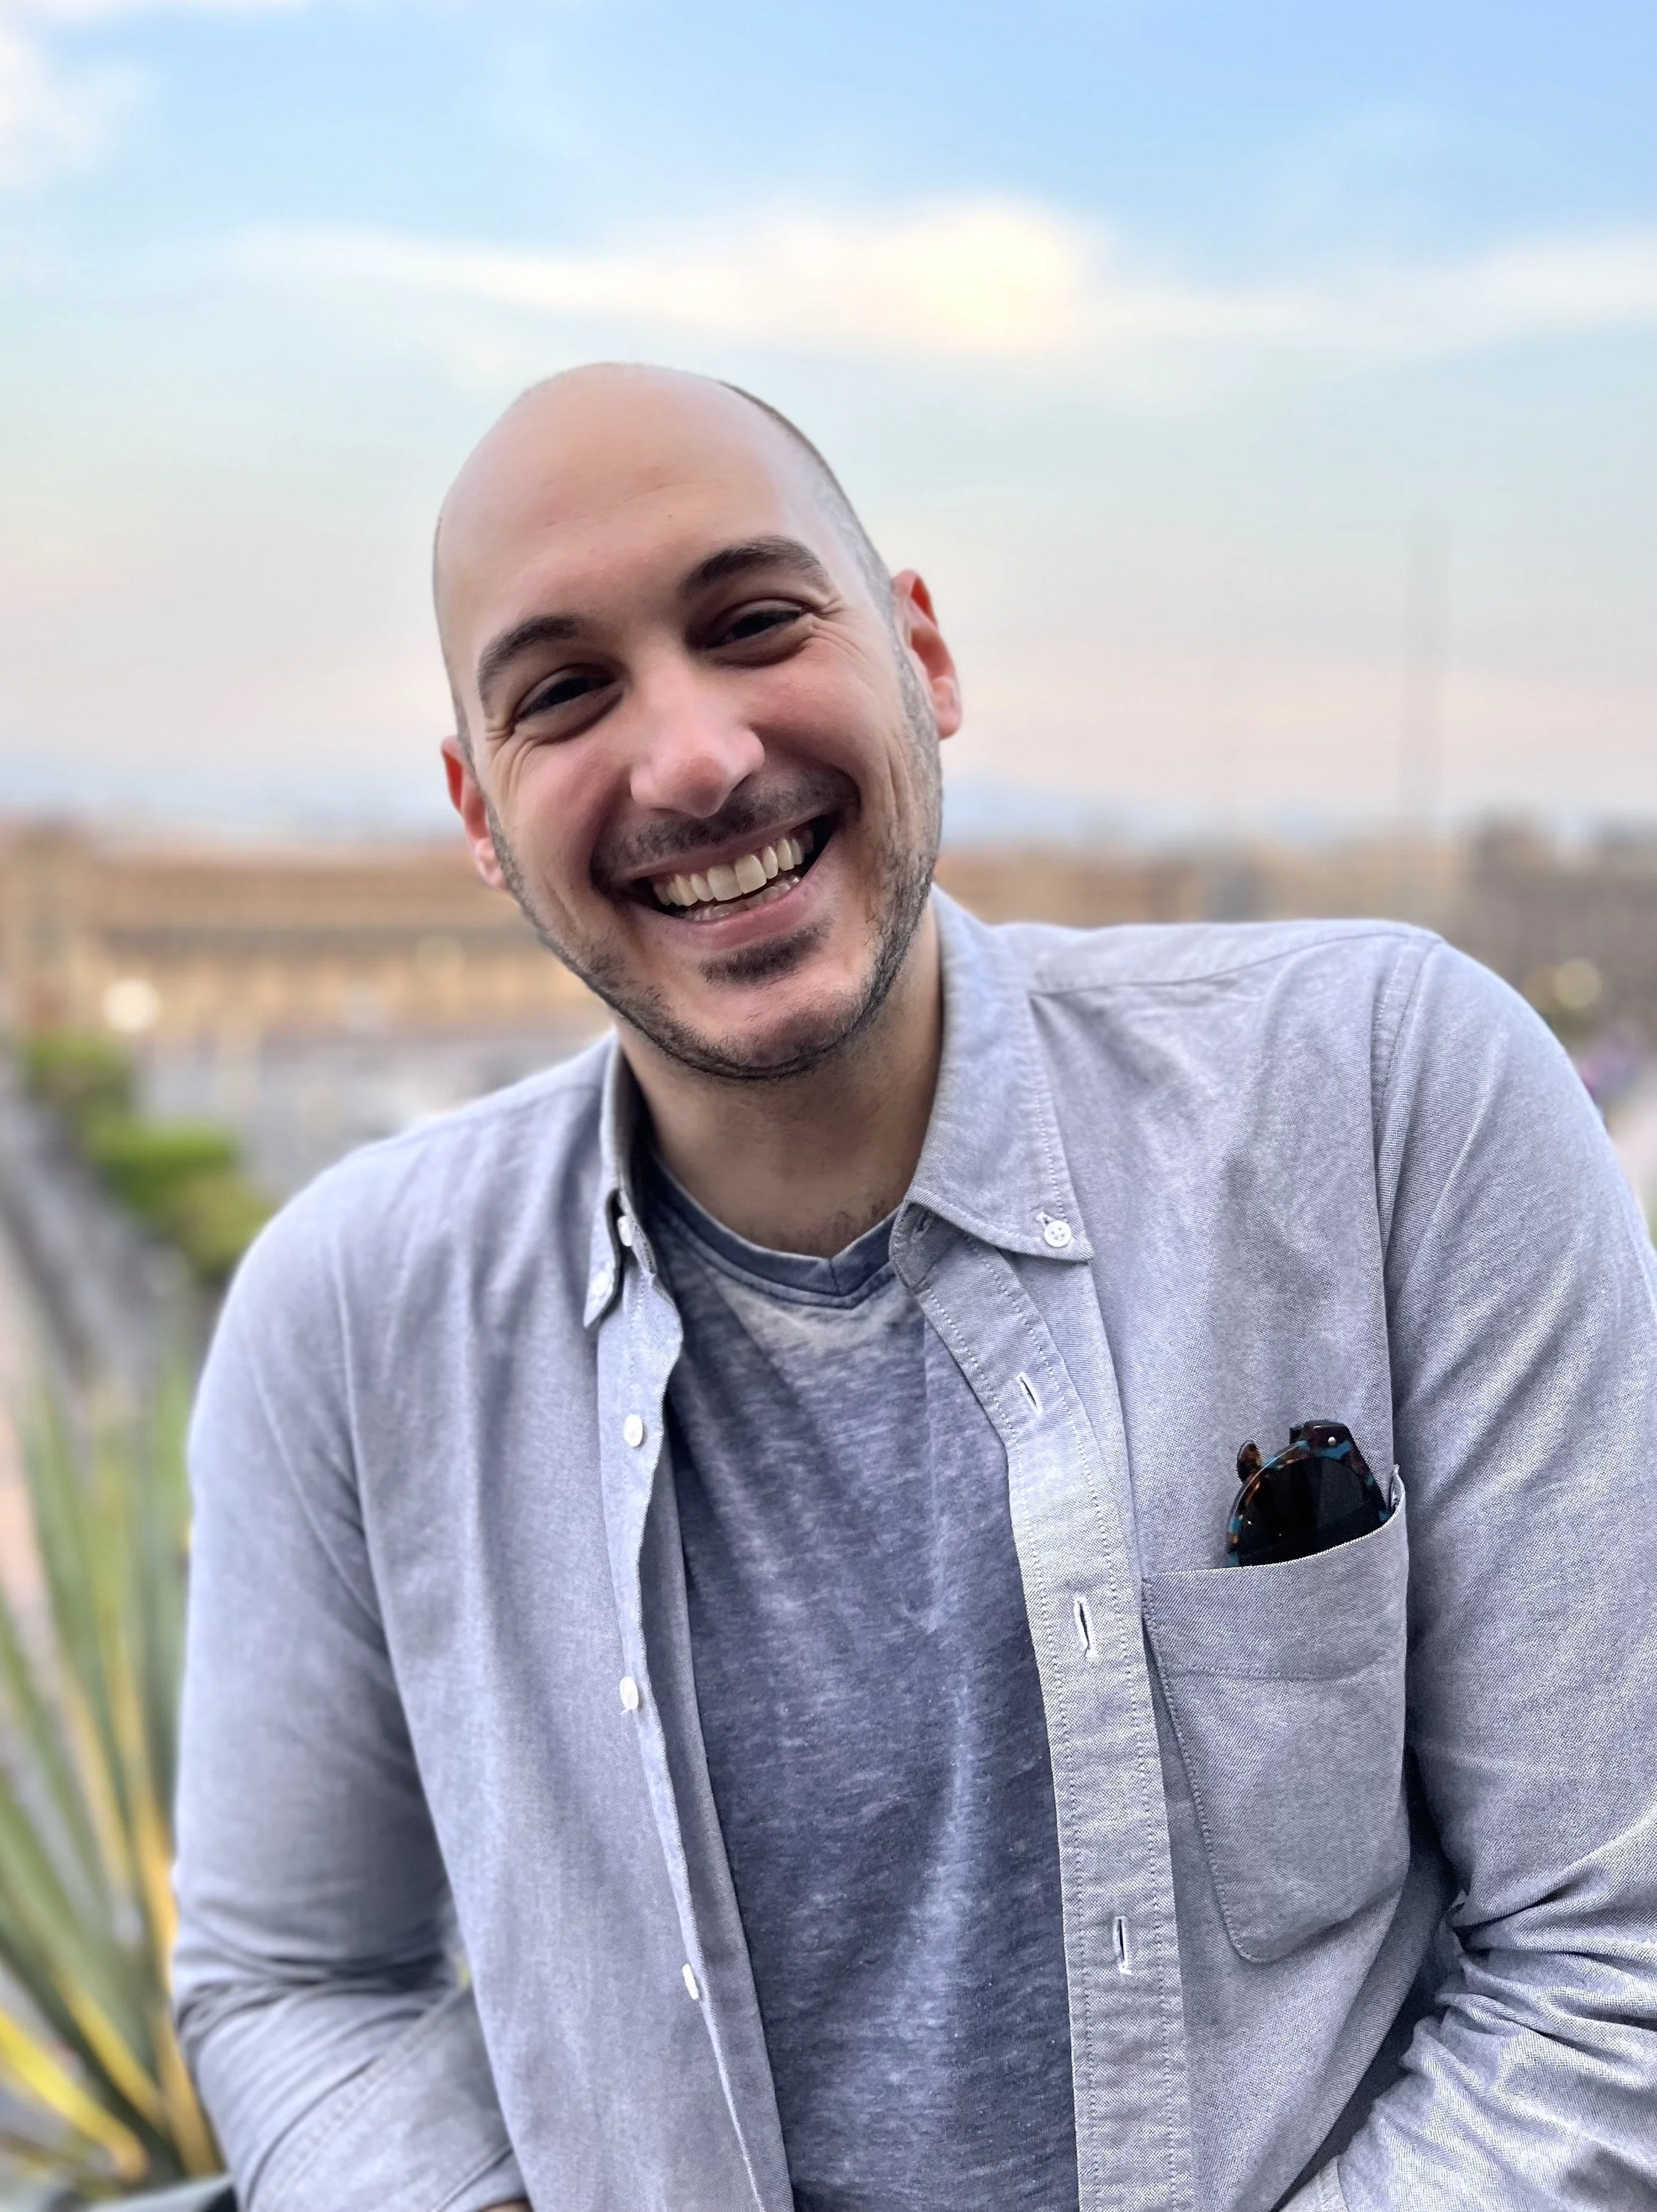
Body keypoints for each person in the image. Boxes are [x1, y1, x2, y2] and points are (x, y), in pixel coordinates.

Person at [171, 364, 1657, 2212]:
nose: (696, 757)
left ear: (921, 658)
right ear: (482, 815)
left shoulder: (1379, 1103)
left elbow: (1611, 1977)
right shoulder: (350, 1321)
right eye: (564, 691)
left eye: (755, 620)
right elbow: (296, 1981)